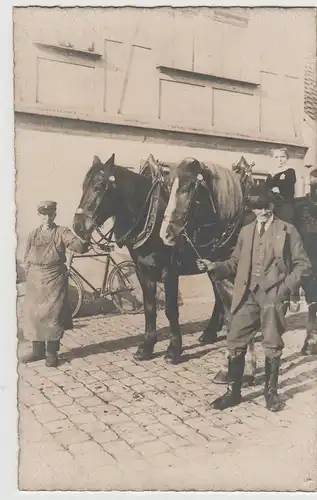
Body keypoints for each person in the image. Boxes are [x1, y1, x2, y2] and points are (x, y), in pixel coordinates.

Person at [197, 184, 312, 412]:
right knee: (235, 339)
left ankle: (270, 394)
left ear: (272, 205)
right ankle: (234, 392)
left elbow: (304, 266)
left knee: (272, 343)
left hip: (272, 297)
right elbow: (235, 263)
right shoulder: (246, 230)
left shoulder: (288, 230)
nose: (262, 212)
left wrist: (284, 289)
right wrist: (215, 266)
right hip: (246, 295)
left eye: (265, 206)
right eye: (257, 208)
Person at [21, 201, 89, 367]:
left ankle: (51, 354)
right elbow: (26, 257)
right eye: (44, 215)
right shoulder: (33, 234)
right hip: (35, 280)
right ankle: (37, 351)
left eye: (50, 214)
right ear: (39, 216)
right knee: (34, 316)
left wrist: (83, 235)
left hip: (54, 280)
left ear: (54, 215)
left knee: (53, 317)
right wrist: (28, 275)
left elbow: (78, 247)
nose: (47, 218)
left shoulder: (62, 232)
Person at [266, 147, 300, 311]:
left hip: (285, 207)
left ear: (286, 158)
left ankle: (293, 292)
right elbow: (266, 191)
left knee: (286, 243)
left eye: (282, 157)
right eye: (277, 157)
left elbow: (287, 190)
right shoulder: (270, 173)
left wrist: (276, 188)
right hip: (272, 207)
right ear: (272, 158)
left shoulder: (290, 171)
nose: (280, 159)